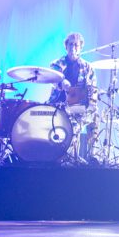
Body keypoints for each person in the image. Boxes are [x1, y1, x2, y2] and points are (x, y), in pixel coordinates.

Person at [48, 32, 99, 162]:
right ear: (66, 46)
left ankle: (92, 155)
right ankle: (66, 156)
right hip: (58, 105)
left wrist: (91, 104)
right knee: (71, 123)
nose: (73, 47)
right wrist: (62, 82)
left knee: (96, 115)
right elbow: (54, 79)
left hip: (78, 106)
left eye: (76, 45)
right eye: (70, 44)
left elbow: (92, 88)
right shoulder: (57, 64)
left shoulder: (87, 67)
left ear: (80, 47)